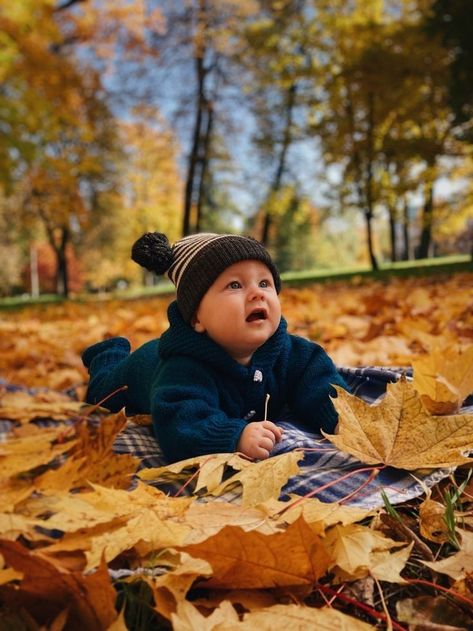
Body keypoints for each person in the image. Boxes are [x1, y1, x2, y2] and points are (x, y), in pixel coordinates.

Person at [82, 232, 348, 463]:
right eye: (235, 285)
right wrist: (233, 437)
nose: (258, 293)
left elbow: (316, 379)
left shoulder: (290, 351)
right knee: (102, 395)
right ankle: (107, 354)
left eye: (265, 283)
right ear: (197, 318)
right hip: (139, 369)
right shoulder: (182, 369)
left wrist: (338, 417)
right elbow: (180, 423)